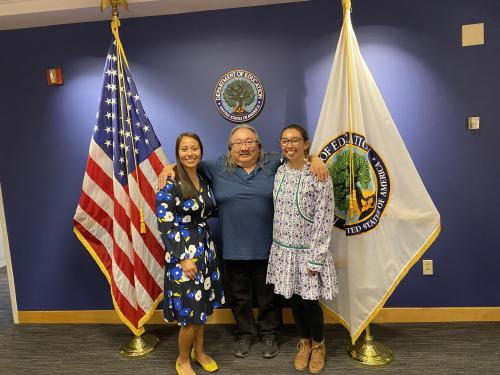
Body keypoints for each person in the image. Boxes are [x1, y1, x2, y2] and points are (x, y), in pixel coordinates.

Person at [158, 124, 328, 359]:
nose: (244, 147)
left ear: (258, 145)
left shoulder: (273, 162)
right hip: (233, 247)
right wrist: (169, 167)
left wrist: (316, 158)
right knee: (239, 297)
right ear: (230, 148)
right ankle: (244, 333)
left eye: (249, 142)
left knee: (269, 297)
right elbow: (190, 164)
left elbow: (295, 153)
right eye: (238, 143)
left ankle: (269, 332)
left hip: (271, 247)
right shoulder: (216, 167)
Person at [266, 124, 338, 374]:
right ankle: (304, 343)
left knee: (309, 302)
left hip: (308, 251)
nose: (289, 145)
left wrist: (316, 257)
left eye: (295, 140)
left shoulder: (318, 174)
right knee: (293, 300)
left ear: (306, 144)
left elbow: (324, 217)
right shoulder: (279, 171)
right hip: (284, 250)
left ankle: (319, 344)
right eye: (284, 141)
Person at [156, 132, 224, 375]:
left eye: (194, 148)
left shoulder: (203, 178)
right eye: (184, 149)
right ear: (178, 152)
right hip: (183, 254)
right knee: (189, 312)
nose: (190, 153)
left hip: (205, 249)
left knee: (201, 307)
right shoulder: (170, 183)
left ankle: (200, 352)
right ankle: (183, 359)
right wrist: (182, 258)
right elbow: (165, 224)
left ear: (201, 151)